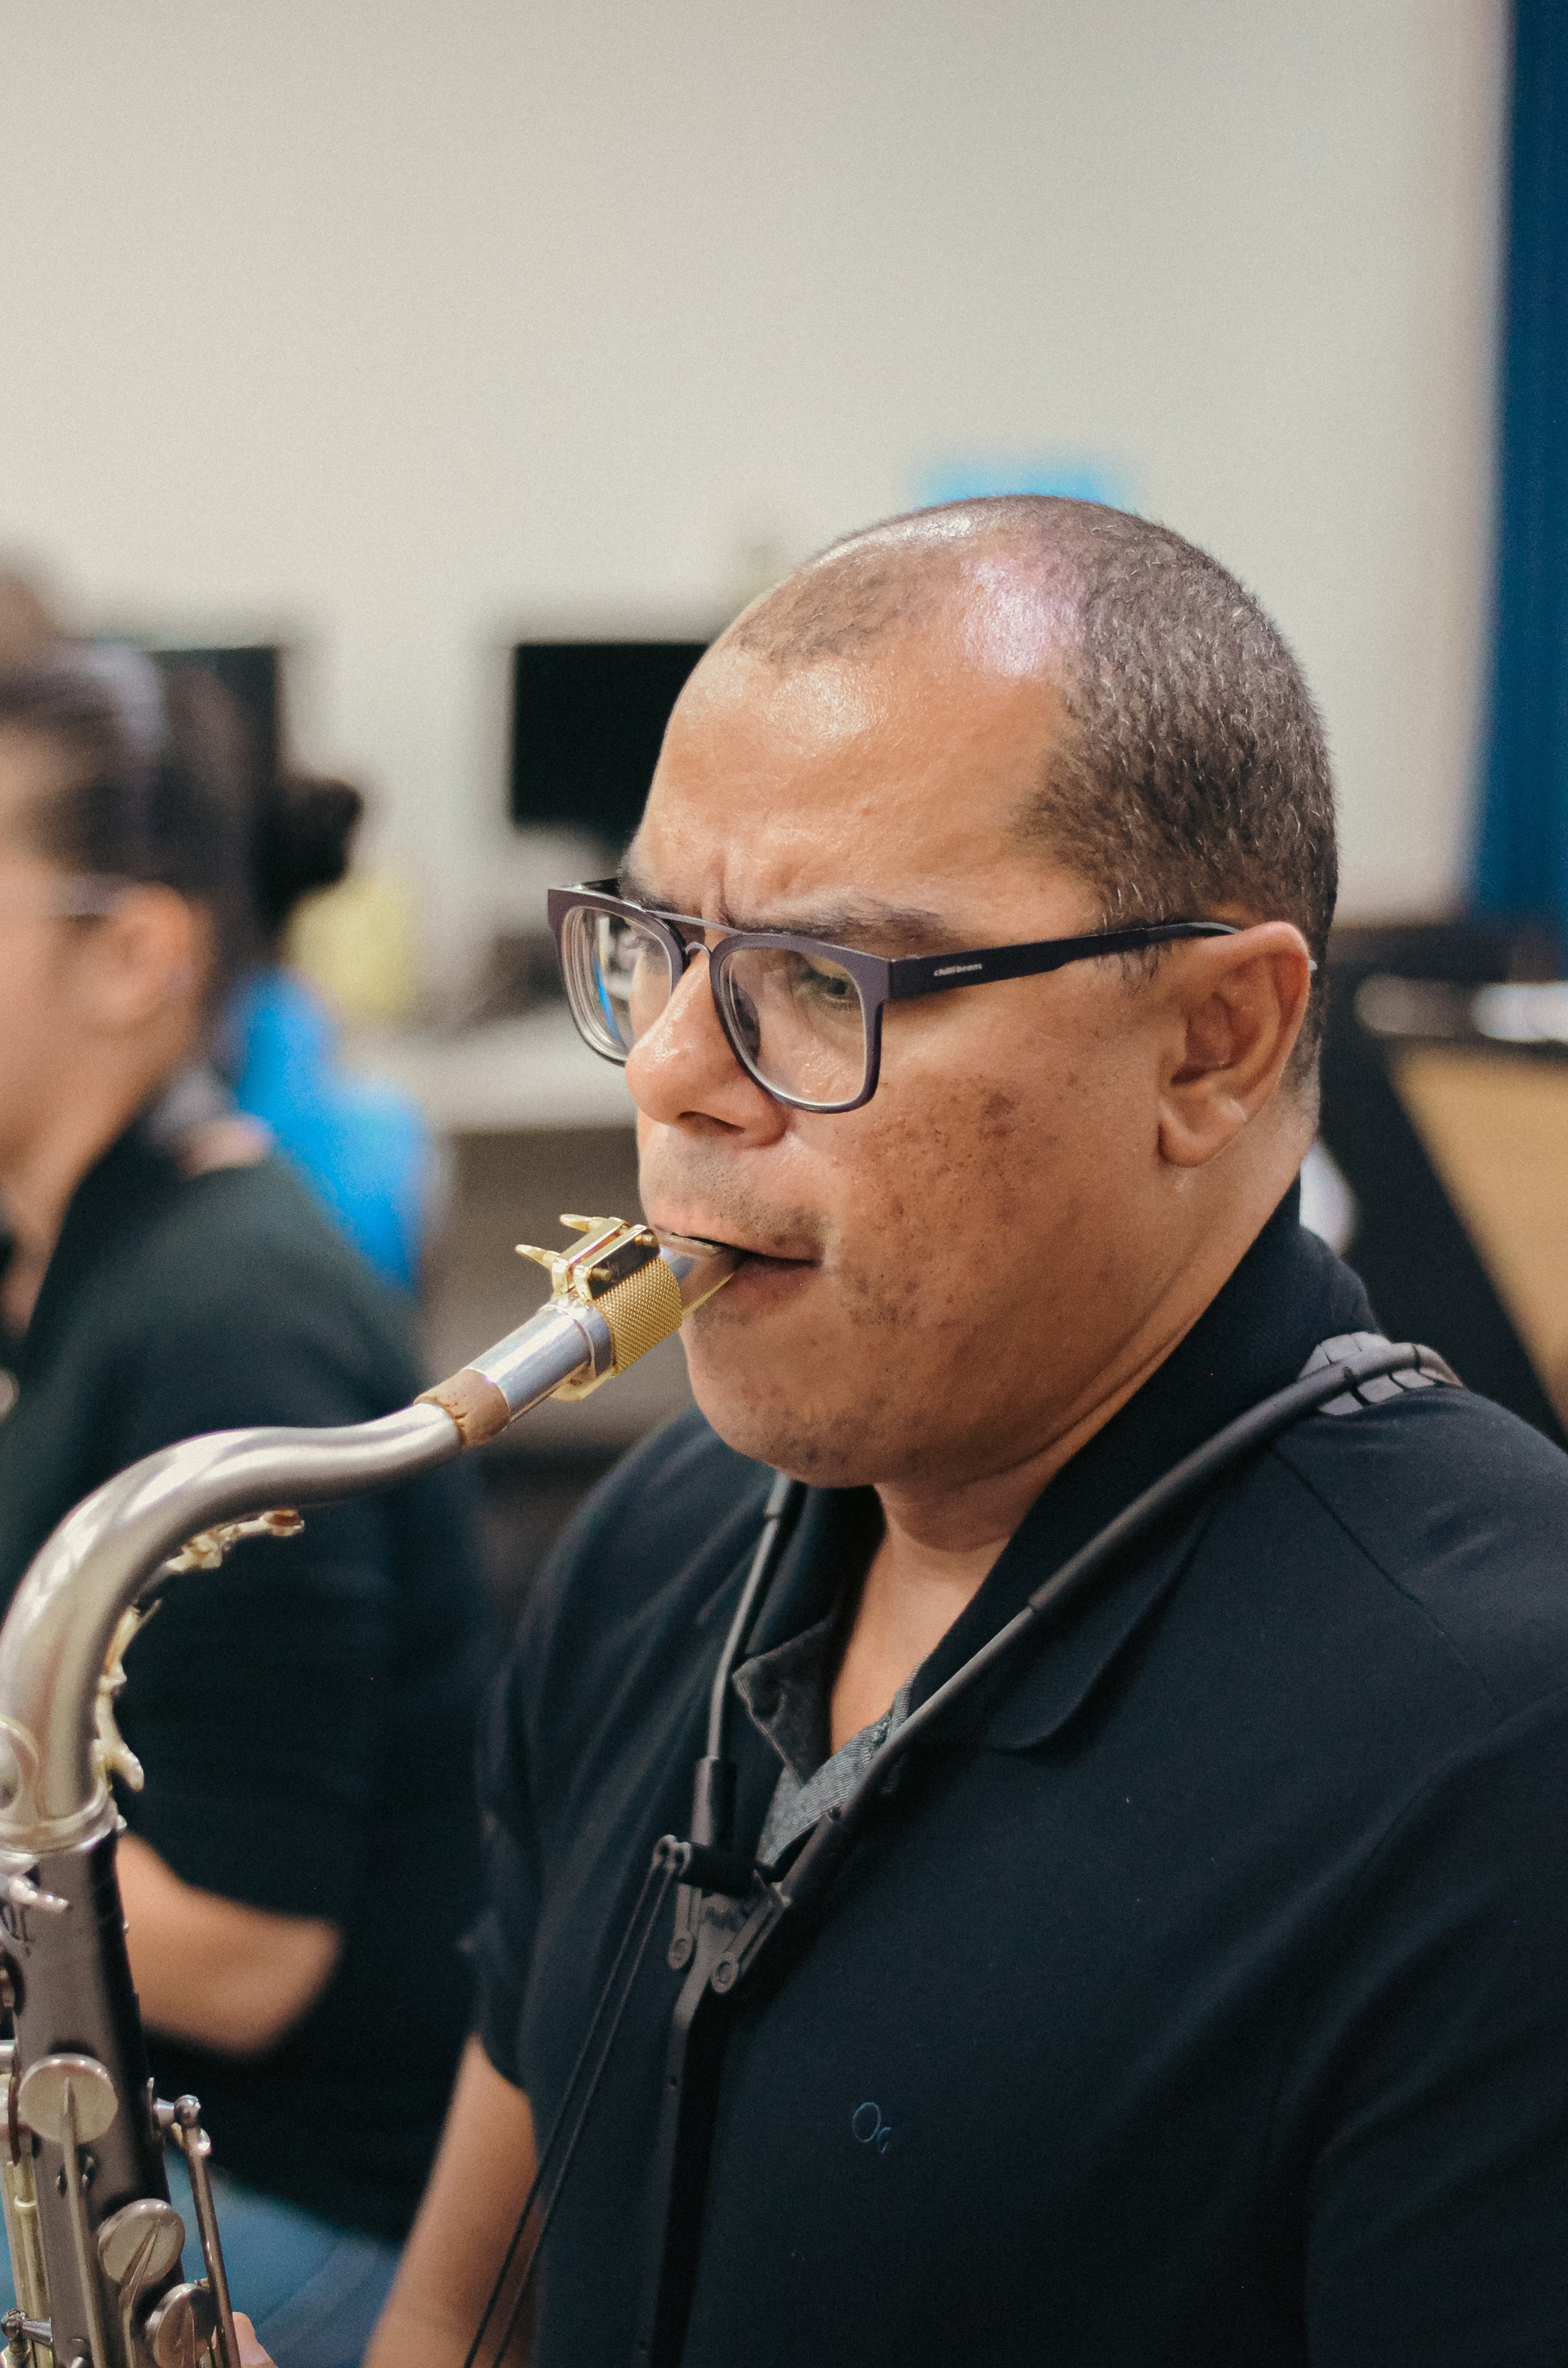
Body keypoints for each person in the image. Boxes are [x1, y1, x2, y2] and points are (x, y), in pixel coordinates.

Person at [350, 497, 1564, 2368]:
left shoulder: (1507, 1740)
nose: (667, 1069)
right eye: (659, 940)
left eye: (820, 980)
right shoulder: (657, 1535)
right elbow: (458, 2309)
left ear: (1212, 1043)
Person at [0, 657, 490, 2366]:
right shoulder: (73, 1254)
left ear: (133, 955)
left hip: (285, 2195)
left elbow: (250, 1949)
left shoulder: (233, 1314)